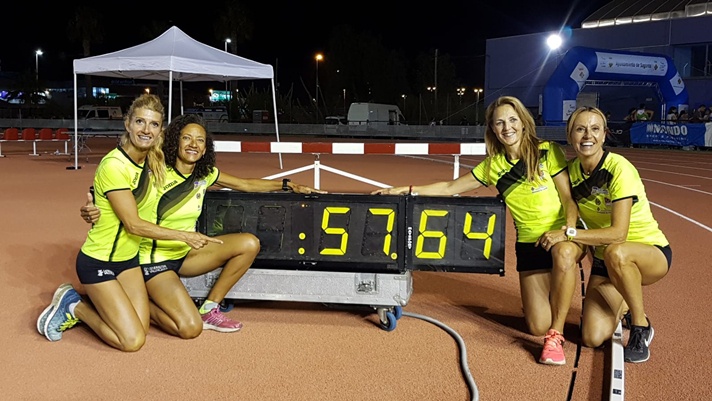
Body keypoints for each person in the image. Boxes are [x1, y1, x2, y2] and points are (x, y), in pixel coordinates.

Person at [371, 96, 584, 365]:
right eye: (500, 123)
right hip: (530, 243)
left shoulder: (548, 151)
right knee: (535, 326)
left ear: (523, 122)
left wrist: (568, 230)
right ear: (492, 129)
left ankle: (556, 335)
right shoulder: (493, 166)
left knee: (563, 258)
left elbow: (568, 199)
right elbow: (450, 188)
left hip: (561, 237)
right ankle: (548, 308)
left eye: (512, 120)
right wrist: (405, 189)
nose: (507, 128)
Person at [81, 113, 325, 338]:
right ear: (175, 141)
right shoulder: (156, 170)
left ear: (206, 148)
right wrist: (93, 210)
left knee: (248, 244)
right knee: (188, 329)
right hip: (152, 261)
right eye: (186, 138)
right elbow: (118, 193)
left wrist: (289, 185)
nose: (193, 144)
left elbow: (246, 185)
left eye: (199, 140)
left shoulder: (204, 174)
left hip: (186, 255)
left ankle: (210, 308)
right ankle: (130, 304)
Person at [37, 94, 222, 351]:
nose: (146, 130)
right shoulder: (114, 164)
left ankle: (112, 304)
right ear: (127, 123)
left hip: (129, 262)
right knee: (132, 341)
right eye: (140, 122)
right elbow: (133, 224)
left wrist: (93, 207)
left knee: (142, 327)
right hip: (99, 261)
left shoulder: (153, 161)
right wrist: (185, 236)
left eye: (154, 124)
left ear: (161, 131)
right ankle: (75, 305)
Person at [539, 106, 671, 363]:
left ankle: (641, 326)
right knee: (591, 337)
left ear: (604, 135)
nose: (587, 135)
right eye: (580, 129)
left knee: (616, 251)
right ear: (570, 135)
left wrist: (568, 234)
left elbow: (618, 234)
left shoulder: (619, 168)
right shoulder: (571, 172)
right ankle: (623, 303)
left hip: (648, 252)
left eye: (595, 129)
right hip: (605, 262)